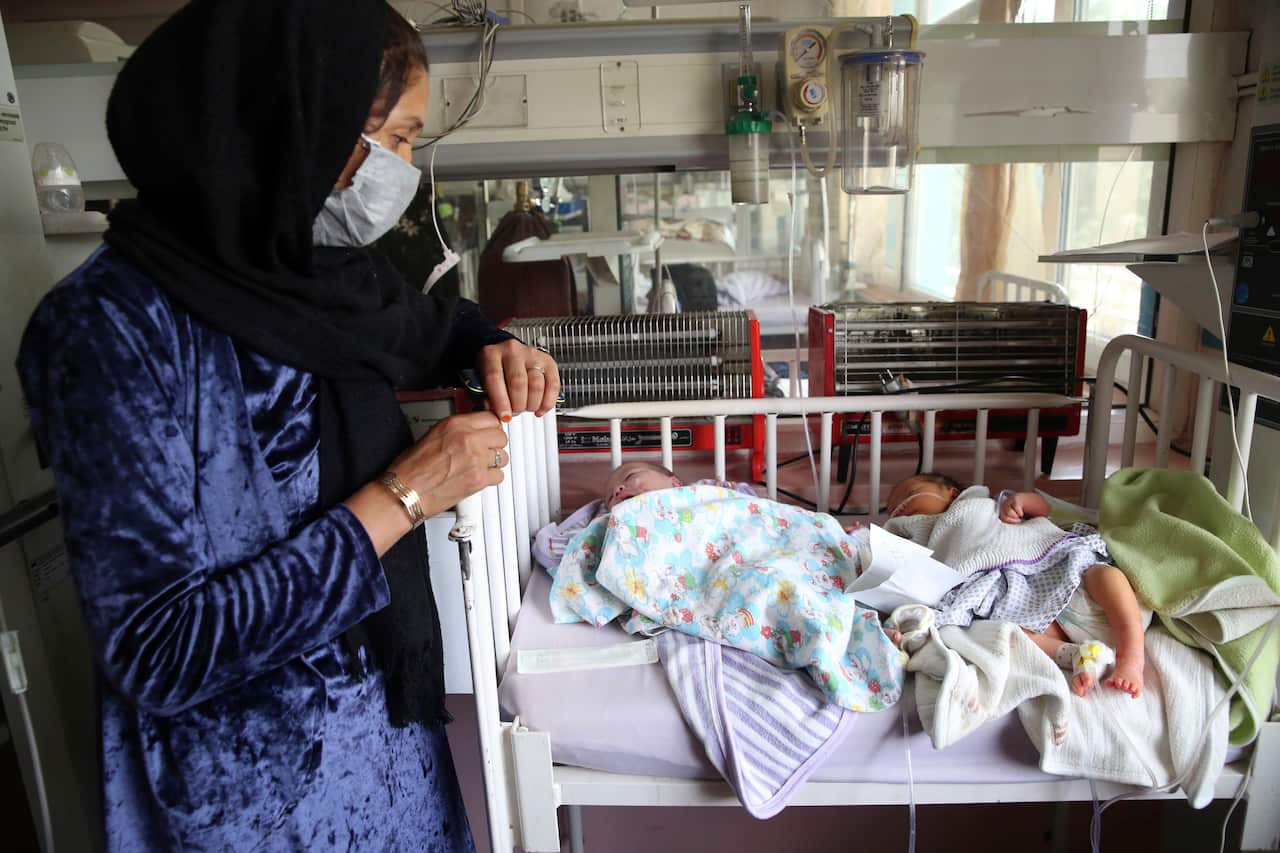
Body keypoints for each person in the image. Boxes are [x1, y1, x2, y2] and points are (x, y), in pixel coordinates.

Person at [15, 2, 560, 849]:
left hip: (387, 744)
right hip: (249, 792)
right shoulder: (108, 328)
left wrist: (496, 343)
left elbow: (423, 327)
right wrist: (407, 493)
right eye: (400, 139)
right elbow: (162, 646)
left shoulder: (318, 275)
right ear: (299, 126)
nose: (404, 171)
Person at [883, 474, 1148, 698]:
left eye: (911, 493)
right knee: (1004, 631)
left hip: (1060, 571)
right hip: (1030, 605)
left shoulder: (982, 503)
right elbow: (892, 559)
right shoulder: (920, 539)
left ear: (952, 493)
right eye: (893, 508)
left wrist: (1020, 502)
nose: (901, 507)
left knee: (1104, 575)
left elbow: (1045, 508)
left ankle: (1132, 658)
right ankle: (1077, 655)